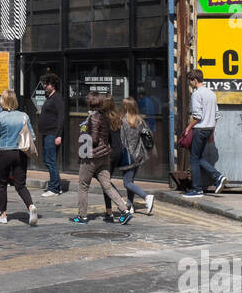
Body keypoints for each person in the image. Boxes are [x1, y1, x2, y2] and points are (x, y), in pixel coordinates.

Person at [70, 93, 132, 225]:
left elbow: (93, 139)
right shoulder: (105, 117)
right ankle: (125, 211)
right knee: (107, 185)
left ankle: (82, 216)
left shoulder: (94, 118)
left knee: (83, 186)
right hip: (104, 155)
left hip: (92, 155)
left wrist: (83, 133)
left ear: (92, 104)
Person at [0, 90, 38, 226]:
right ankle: (31, 206)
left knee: (2, 184)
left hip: (4, 153)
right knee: (20, 185)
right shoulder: (24, 116)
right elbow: (32, 136)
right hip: (20, 152)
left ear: (2, 101)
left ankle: (2, 214)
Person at [185, 69, 226, 198]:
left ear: (195, 80)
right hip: (209, 129)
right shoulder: (211, 93)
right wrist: (212, 131)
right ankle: (217, 177)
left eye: (190, 82)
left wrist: (188, 128)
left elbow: (197, 116)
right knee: (198, 157)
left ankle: (198, 189)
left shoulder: (196, 94)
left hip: (200, 129)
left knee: (194, 159)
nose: (190, 84)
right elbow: (216, 115)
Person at [115, 98, 155, 215]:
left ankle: (146, 197)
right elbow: (149, 135)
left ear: (125, 107)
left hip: (128, 156)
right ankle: (130, 205)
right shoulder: (139, 120)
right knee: (130, 181)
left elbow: (121, 140)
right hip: (139, 155)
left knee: (127, 183)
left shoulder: (122, 121)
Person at [37, 73, 66, 197]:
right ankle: (57, 187)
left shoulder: (57, 99)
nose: (44, 86)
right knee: (48, 160)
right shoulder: (49, 97)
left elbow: (61, 118)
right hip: (46, 133)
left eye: (46, 84)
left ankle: (53, 188)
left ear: (52, 85)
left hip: (52, 134)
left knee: (51, 160)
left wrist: (58, 135)